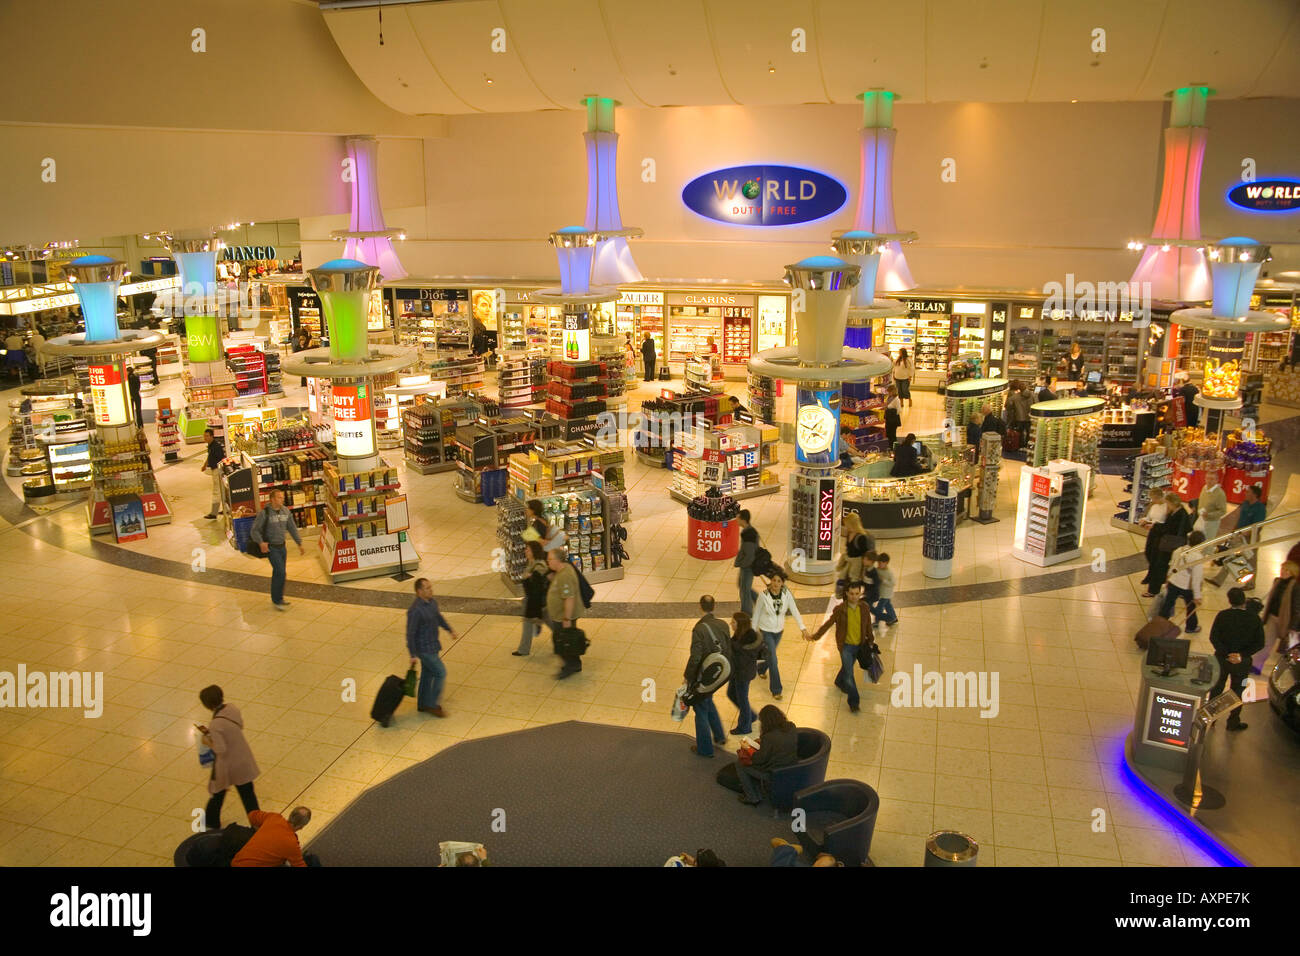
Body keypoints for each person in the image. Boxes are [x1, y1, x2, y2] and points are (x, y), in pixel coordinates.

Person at [198, 684, 260, 831]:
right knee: (248, 795)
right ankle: (257, 823)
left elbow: (220, 749)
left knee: (218, 792)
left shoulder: (215, 724)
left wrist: (208, 741)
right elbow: (239, 726)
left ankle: (211, 822)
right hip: (243, 759)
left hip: (229, 765)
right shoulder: (232, 708)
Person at [808, 581, 876, 713]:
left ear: (860, 593)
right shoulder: (840, 610)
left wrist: (871, 640)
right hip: (846, 647)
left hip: (860, 645)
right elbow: (828, 624)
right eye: (851, 593)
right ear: (846, 593)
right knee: (849, 675)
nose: (854, 596)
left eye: (857, 594)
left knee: (847, 668)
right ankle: (854, 701)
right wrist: (815, 636)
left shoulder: (864, 607)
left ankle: (839, 681)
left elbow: (868, 625)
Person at [1208, 587, 1266, 732]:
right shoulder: (1254, 619)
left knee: (1216, 688)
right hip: (1242, 662)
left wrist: (1227, 653)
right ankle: (1233, 722)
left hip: (1222, 659)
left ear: (1229, 600)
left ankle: (1211, 718)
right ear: (1244, 601)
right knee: (1238, 691)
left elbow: (1214, 637)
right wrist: (1241, 655)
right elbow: (1259, 643)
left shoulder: (1222, 615)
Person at [684, 596, 730, 757]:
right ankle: (719, 736)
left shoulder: (699, 629)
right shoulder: (723, 624)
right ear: (714, 606)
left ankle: (705, 749)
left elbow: (696, 657)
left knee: (700, 709)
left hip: (704, 675)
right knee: (707, 700)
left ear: (700, 607)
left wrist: (688, 677)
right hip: (720, 673)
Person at [751, 572, 808, 701]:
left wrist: (803, 628)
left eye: (778, 581)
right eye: (774, 580)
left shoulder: (786, 595)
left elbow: (794, 611)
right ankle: (776, 689)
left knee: (770, 656)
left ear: (782, 583)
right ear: (771, 581)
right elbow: (757, 614)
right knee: (774, 660)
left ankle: (761, 668)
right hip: (766, 631)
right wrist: (753, 632)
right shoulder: (763, 596)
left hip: (779, 631)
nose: (775, 583)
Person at [407, 577, 459, 717]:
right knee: (440, 672)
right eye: (427, 588)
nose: (431, 590)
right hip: (424, 649)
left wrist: (449, 630)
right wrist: (412, 654)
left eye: (431, 587)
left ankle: (423, 704)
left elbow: (438, 617)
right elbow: (410, 634)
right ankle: (432, 704)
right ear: (419, 592)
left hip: (433, 645)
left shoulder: (432, 602)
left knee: (427, 674)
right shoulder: (415, 611)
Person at [249, 488, 304, 609]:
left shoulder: (285, 511)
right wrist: (261, 542)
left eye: (282, 497)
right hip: (271, 548)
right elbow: (254, 530)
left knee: (279, 573)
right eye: (279, 497)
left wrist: (299, 543)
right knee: (280, 572)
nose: (282, 499)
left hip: (282, 547)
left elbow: (292, 528)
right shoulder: (265, 513)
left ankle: (278, 597)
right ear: (272, 499)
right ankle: (277, 600)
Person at [736, 705, 799, 806]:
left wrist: (748, 748)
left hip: (774, 772)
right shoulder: (791, 726)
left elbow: (759, 760)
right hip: (791, 766)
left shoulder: (768, 737)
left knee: (740, 764)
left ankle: (752, 797)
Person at [1142, 492, 1190, 598]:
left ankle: (1153, 590)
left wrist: (1154, 527)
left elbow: (1170, 529)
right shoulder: (1176, 512)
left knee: (1159, 566)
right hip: (1170, 544)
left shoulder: (1180, 514)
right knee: (1163, 566)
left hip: (1170, 545)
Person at [231, 807, 313, 867]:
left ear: (290, 815)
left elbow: (251, 815)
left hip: (236, 862)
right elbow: (299, 865)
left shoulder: (274, 818)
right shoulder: (291, 843)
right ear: (302, 826)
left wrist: (259, 831)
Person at [546, 549, 583, 678]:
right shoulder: (563, 569)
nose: (547, 562)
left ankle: (570, 665)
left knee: (561, 640)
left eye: (550, 559)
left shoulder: (565, 576)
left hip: (564, 617)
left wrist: (566, 618)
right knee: (568, 639)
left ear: (557, 560)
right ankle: (575, 663)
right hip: (562, 615)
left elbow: (569, 597)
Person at [1159, 530, 1207, 633]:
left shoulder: (1179, 550)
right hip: (1186, 587)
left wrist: (1168, 578)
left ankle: (1159, 624)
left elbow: (1172, 565)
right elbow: (1196, 578)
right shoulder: (1197, 557)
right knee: (1190, 607)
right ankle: (1191, 627)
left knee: (1168, 604)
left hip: (1174, 582)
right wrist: (1197, 595)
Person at [726, 611, 761, 736]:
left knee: (742, 699)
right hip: (738, 672)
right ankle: (751, 716)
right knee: (731, 694)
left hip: (742, 674)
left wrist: (729, 647)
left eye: (733, 622)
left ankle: (745, 727)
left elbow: (739, 656)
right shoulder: (740, 634)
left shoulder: (746, 641)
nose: (731, 624)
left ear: (740, 624)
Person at [513, 540, 549, 657]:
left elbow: (537, 583)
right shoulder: (531, 563)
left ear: (534, 551)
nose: (525, 551)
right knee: (529, 623)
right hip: (533, 600)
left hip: (538, 601)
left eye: (528, 549)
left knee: (551, 623)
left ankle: (564, 641)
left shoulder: (539, 565)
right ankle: (523, 649)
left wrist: (529, 578)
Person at [1260, 561, 1300, 665]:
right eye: (1282, 569)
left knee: (1290, 648)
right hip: (1273, 617)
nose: (1283, 572)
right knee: (1267, 643)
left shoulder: (1296, 587)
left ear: (1292, 572)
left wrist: (1294, 627)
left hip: (1288, 621)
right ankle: (1256, 665)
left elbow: (1297, 608)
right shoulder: (1277, 582)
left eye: (1287, 570)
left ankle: (1288, 669)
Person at [734, 510, 760, 617]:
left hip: (747, 567)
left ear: (743, 520)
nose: (736, 519)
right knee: (742, 585)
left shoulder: (748, 534)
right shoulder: (749, 531)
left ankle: (747, 613)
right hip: (747, 565)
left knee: (744, 590)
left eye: (738, 517)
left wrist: (741, 563)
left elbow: (749, 555)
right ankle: (760, 601)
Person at [839, 510, 873, 587]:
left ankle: (853, 594)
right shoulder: (849, 533)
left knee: (853, 580)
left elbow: (865, 552)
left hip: (857, 563)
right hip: (849, 560)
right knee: (842, 577)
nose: (846, 526)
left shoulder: (862, 537)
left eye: (847, 524)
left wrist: (864, 568)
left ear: (852, 524)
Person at [199, 427, 225, 519]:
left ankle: (214, 513)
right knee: (221, 490)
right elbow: (209, 456)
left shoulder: (216, 447)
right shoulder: (210, 445)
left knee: (217, 491)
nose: (205, 438)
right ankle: (226, 509)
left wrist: (219, 471)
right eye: (204, 436)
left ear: (212, 436)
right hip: (215, 470)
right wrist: (205, 465)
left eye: (207, 436)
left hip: (217, 471)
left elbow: (221, 459)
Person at [1197, 471, 1228, 541]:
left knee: (1207, 541)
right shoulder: (1204, 488)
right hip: (1201, 519)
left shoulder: (1220, 494)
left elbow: (1222, 511)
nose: (1209, 481)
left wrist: (1209, 515)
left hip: (1212, 522)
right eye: (1207, 478)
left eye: (1211, 479)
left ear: (1217, 480)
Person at [872, 553, 899, 627]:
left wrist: (884, 581)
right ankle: (893, 617)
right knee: (888, 606)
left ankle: (877, 621)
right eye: (878, 563)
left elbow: (893, 583)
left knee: (879, 608)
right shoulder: (878, 570)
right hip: (882, 593)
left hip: (886, 594)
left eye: (881, 563)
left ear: (886, 563)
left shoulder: (889, 572)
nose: (879, 565)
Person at [1006, 381, 1031, 446]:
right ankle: (1028, 445)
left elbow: (1008, 406)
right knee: (1029, 433)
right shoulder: (1033, 395)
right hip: (1030, 417)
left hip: (1019, 418)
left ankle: (1020, 445)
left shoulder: (1015, 397)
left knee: (1020, 433)